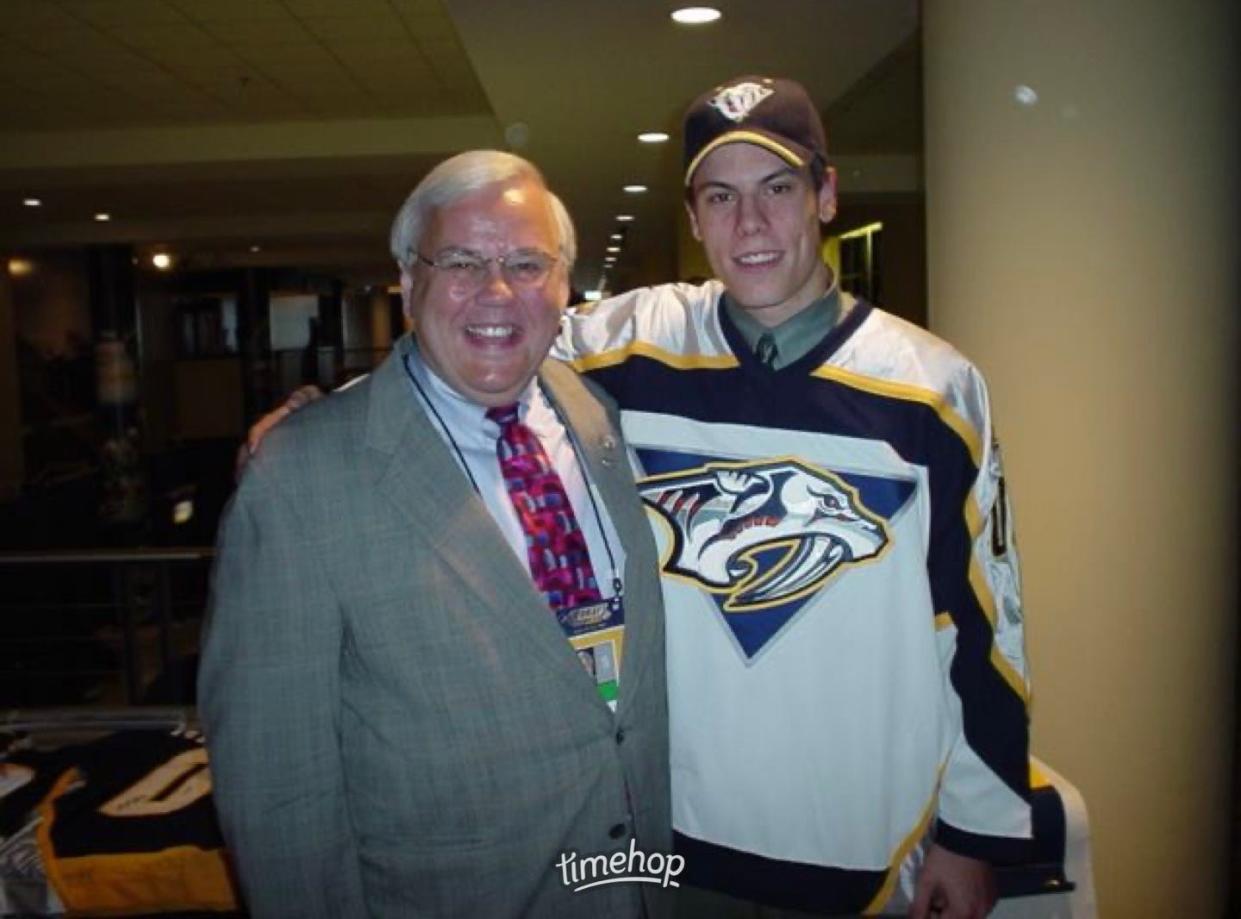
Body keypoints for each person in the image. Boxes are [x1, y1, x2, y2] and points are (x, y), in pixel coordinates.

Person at [248, 76, 1032, 919]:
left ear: (826, 196)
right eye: (720, 197)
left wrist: (974, 832)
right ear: (693, 219)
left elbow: (988, 627)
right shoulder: (639, 342)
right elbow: (483, 343)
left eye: (778, 190)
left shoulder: (931, 390)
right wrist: (328, 413)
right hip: (671, 843)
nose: (751, 224)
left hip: (869, 847)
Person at [199, 151, 671, 918]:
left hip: (633, 886)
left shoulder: (594, 415)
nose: (497, 291)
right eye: (460, 260)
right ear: (406, 277)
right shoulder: (299, 477)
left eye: (526, 262)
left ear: (562, 286)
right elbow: (276, 786)